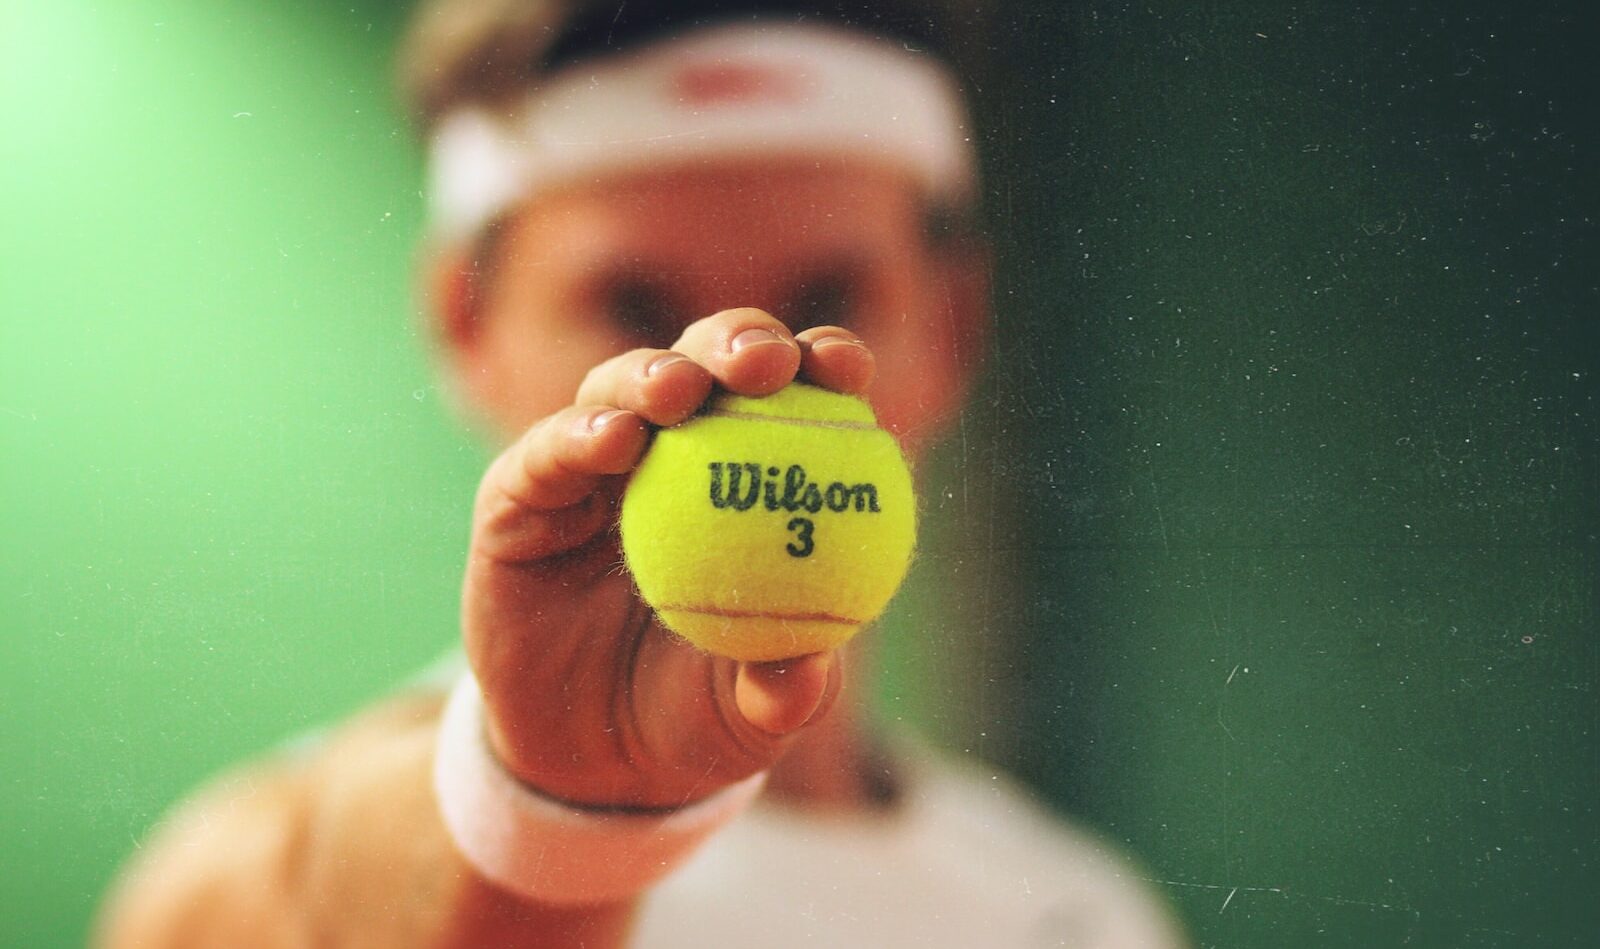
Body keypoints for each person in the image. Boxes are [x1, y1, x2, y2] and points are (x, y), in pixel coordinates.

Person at [94, 1, 1188, 946]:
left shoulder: (1082, 914)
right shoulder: (247, 872)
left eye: (830, 300)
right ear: (466, 326)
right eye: (635, 312)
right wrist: (549, 813)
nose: (738, 378)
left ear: (951, 325)